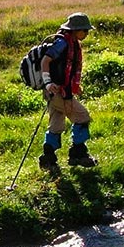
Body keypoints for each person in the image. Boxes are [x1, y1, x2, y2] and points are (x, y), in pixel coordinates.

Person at [38, 12, 96, 170]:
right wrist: (48, 82)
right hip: (57, 91)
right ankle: (78, 154)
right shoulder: (62, 44)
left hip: (56, 91)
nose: (86, 33)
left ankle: (48, 160)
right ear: (76, 30)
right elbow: (45, 61)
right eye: (84, 30)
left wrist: (75, 86)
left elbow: (66, 69)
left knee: (56, 124)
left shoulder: (71, 43)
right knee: (82, 117)